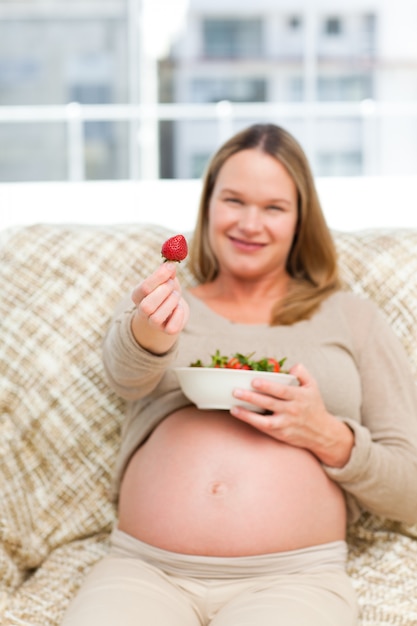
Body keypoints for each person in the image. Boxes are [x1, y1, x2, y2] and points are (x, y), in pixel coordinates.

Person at [62, 123, 417, 626]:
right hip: (143, 571)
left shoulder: (351, 316)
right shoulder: (164, 302)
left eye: (274, 207)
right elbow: (125, 377)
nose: (250, 223)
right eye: (233, 200)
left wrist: (328, 436)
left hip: (295, 580)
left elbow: (411, 489)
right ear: (208, 205)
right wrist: (151, 335)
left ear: (300, 220)